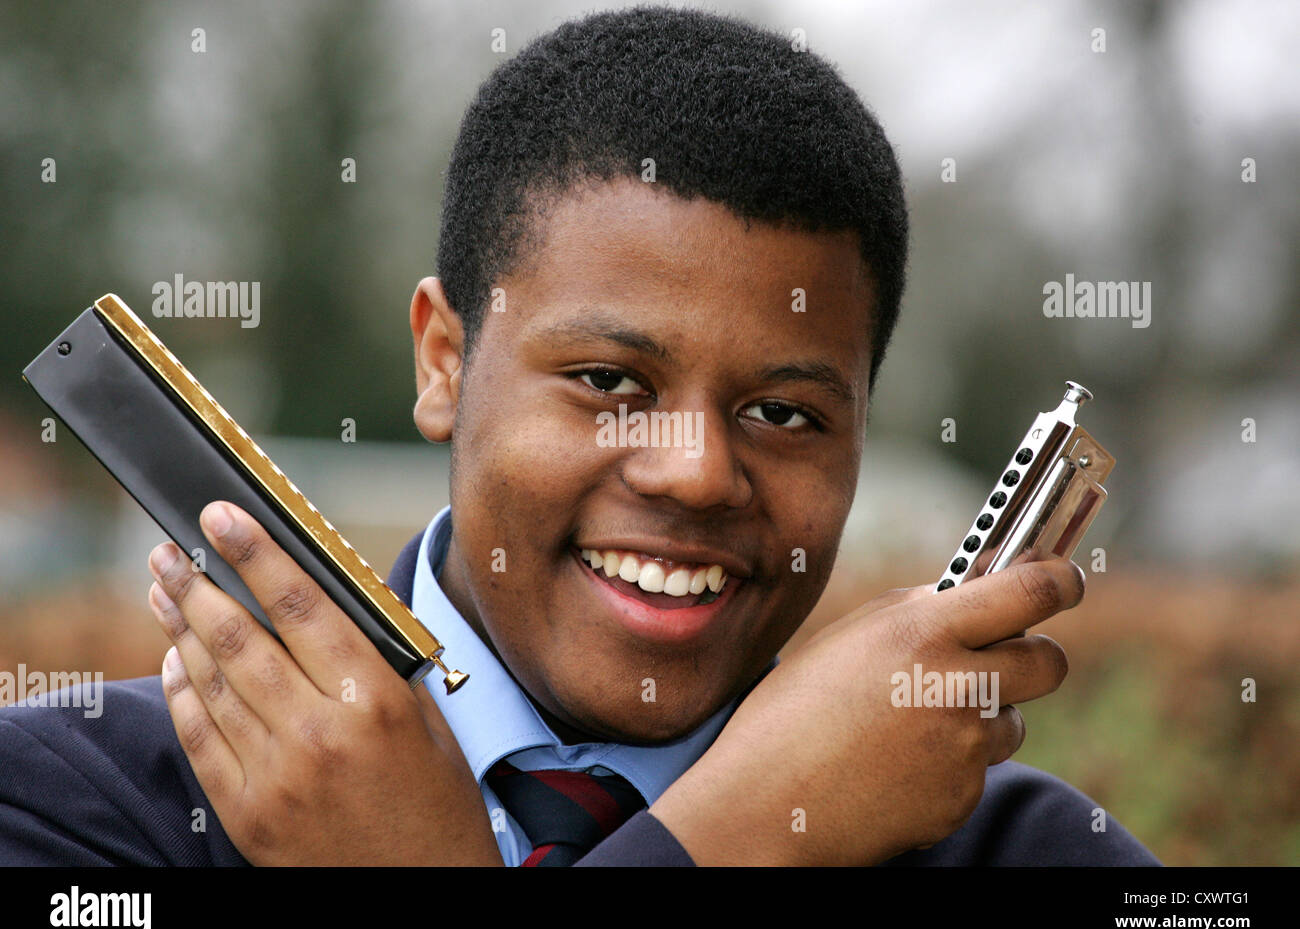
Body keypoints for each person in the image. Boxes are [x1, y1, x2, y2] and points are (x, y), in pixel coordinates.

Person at [0, 5, 1157, 866]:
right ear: (443, 360)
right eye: (608, 378)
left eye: (784, 413)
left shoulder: (1029, 852)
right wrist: (729, 838)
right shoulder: (70, 802)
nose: (698, 470)